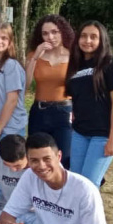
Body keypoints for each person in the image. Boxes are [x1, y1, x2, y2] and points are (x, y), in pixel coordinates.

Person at [66, 21, 113, 187]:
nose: (87, 40)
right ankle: (77, 213)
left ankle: (92, 214)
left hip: (103, 135)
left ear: (102, 40)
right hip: (79, 133)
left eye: (93, 37)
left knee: (89, 184)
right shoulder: (75, 66)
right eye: (83, 36)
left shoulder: (110, 63)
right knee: (75, 181)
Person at [26, 15, 75, 168]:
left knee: (64, 158)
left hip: (64, 111)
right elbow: (25, 85)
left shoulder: (73, 56)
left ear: (63, 32)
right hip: (39, 112)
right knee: (37, 155)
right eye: (45, 33)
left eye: (55, 32)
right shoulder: (34, 55)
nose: (50, 37)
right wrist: (35, 58)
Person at [0, 134, 29, 213]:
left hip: (33, 212)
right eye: (7, 165)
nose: (13, 170)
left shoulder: (39, 163)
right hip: (7, 208)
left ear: (27, 156)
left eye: (18, 166)